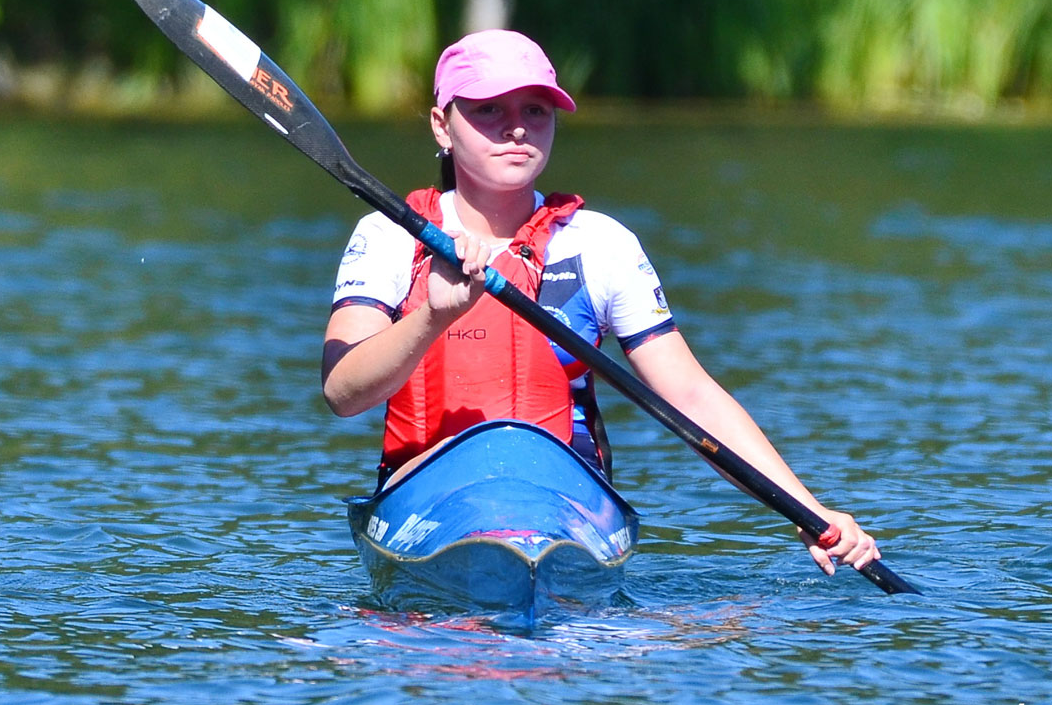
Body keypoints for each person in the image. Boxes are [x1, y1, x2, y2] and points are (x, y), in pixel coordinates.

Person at [322, 29, 879, 576]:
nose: (517, 127)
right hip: (426, 498)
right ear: (443, 126)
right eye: (489, 109)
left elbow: (689, 394)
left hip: (565, 506)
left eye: (537, 111)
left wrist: (809, 513)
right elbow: (344, 392)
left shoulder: (599, 244)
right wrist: (433, 316)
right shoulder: (391, 237)